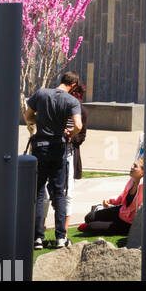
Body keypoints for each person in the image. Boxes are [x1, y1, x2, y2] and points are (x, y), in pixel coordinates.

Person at [24, 71, 83, 249]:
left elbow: (28, 116)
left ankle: (37, 238)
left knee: (39, 192)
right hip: (58, 148)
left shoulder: (41, 93)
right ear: (73, 85)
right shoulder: (71, 101)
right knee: (59, 193)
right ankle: (60, 238)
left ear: (61, 80)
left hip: (39, 148)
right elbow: (78, 125)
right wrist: (70, 134)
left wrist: (40, 121)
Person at [78, 159, 143, 237]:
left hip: (128, 223)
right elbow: (122, 196)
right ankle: (103, 218)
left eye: (135, 166)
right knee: (89, 217)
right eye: (133, 164)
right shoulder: (132, 180)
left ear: (142, 172)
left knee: (91, 226)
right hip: (121, 211)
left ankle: (94, 225)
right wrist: (110, 201)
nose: (131, 167)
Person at [64, 77, 88, 231]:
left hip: (70, 154)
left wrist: (70, 137)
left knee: (68, 193)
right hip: (54, 151)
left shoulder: (81, 111)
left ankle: (63, 231)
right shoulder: (60, 106)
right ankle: (40, 229)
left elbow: (82, 135)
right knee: (45, 193)